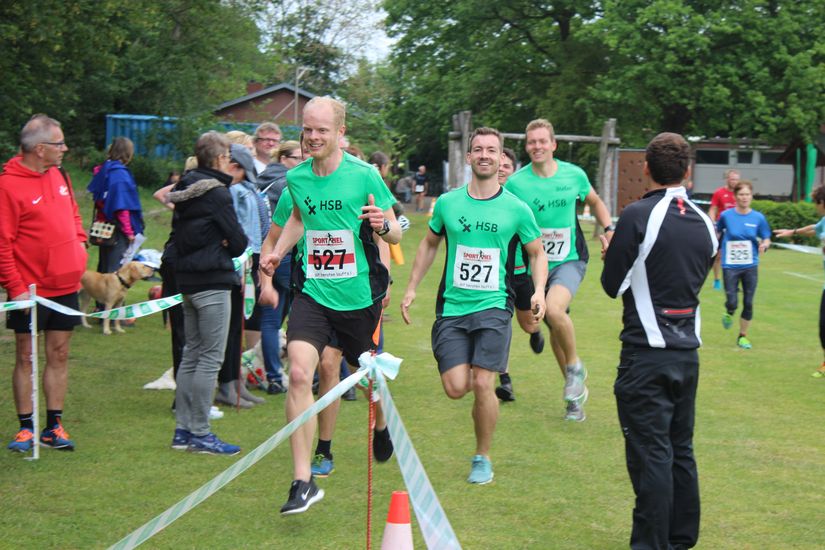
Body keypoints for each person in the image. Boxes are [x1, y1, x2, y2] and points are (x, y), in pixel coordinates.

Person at [260, 96, 401, 515]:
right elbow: (299, 219)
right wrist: (278, 254)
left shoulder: (365, 176)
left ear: (340, 133)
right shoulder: (298, 179)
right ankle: (302, 481)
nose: (313, 137)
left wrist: (383, 226)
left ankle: (381, 423)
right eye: (308, 129)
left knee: (366, 378)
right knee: (300, 372)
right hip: (313, 294)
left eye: (322, 129)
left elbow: (395, 233)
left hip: (358, 298)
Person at [400, 127, 547, 484]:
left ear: (500, 160)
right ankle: (476, 384)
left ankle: (482, 457)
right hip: (452, 307)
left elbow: (537, 252)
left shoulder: (516, 209)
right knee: (455, 387)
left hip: (495, 304)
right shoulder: (448, 203)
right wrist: (412, 287)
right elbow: (429, 244)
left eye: (491, 150)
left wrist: (539, 291)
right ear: (468, 158)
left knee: (484, 382)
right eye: (478, 149)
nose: (484, 155)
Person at [601, 132, 717, 550]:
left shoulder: (637, 215)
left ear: (646, 169)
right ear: (687, 171)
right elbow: (695, 274)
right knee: (680, 450)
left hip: (645, 356)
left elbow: (612, 285)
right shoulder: (705, 222)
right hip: (687, 355)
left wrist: (610, 254)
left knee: (651, 454)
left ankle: (651, 544)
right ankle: (681, 538)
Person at [505, 118, 615, 421]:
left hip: (569, 259)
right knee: (553, 324)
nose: (537, 146)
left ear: (553, 144)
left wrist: (609, 227)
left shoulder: (574, 175)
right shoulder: (516, 183)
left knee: (554, 311)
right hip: (533, 265)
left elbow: (595, 201)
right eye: (531, 142)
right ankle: (573, 395)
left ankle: (574, 367)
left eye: (542, 141)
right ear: (526, 146)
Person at [1, 114, 88, 452]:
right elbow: (3, 243)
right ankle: (26, 428)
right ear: (39, 149)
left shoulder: (59, 175)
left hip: (65, 286)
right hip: (29, 291)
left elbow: (74, 214)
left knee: (60, 353)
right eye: (59, 143)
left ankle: (54, 426)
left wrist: (79, 244)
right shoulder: (8, 185)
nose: (64, 148)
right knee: (26, 356)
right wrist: (16, 287)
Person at [165, 131, 248, 455]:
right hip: (212, 281)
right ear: (217, 159)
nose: (230, 161)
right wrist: (226, 243)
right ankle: (199, 431)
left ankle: (183, 430)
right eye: (227, 156)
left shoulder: (183, 187)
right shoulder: (218, 193)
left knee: (192, 353)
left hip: (186, 280)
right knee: (209, 357)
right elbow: (238, 240)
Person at [495, 146, 542, 401]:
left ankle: (536, 331)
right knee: (501, 325)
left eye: (507, 166)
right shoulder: (481, 197)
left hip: (521, 274)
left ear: (513, 171)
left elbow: (535, 246)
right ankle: (505, 380)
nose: (501, 169)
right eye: (498, 164)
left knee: (526, 324)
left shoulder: (520, 202)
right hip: (493, 279)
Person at [259, 140, 302, 395]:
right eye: (297, 157)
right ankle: (298, 374)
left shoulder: (262, 179)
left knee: (271, 320)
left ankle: (274, 376)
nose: (301, 162)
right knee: (295, 318)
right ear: (284, 158)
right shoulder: (289, 183)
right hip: (285, 253)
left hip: (266, 251)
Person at [773, 185, 825, 377]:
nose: (814, 207)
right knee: (823, 327)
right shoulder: (824, 221)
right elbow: (814, 229)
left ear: (822, 203)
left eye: (816, 204)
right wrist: (792, 231)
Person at [716, 180, 771, 350]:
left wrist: (765, 244)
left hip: (750, 265)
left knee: (748, 302)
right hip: (730, 265)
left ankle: (742, 336)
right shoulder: (726, 215)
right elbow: (718, 231)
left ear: (751, 196)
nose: (744, 198)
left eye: (747, 194)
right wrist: (714, 247)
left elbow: (766, 237)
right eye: (741, 194)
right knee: (732, 301)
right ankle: (729, 312)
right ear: (735, 196)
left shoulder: (758, 218)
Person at [87, 137, 144, 273]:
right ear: (128, 153)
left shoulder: (104, 170)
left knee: (104, 269)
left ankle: (99, 294)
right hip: (117, 230)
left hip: (104, 228)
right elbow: (121, 207)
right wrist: (129, 233)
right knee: (114, 273)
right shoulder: (119, 175)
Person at [707, 169, 740, 290]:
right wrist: (712, 223)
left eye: (737, 179)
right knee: (718, 255)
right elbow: (713, 209)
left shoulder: (740, 193)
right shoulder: (719, 192)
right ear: (727, 179)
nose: (735, 182)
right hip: (721, 228)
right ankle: (717, 280)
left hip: (735, 229)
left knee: (736, 255)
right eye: (732, 179)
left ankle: (734, 282)